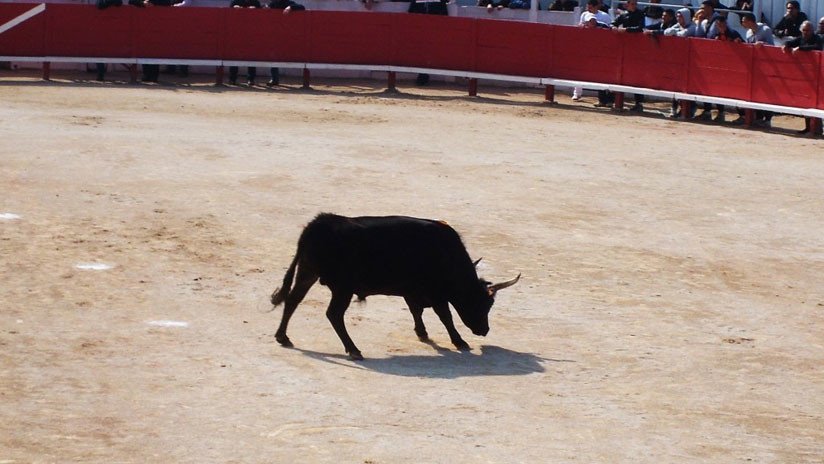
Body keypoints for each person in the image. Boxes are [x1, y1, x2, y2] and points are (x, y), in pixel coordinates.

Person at [695, 16, 742, 122]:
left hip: (730, 68)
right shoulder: (715, 34)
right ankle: (709, 112)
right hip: (717, 66)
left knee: (724, 91)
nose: (720, 26)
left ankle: (735, 114)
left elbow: (742, 47)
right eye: (718, 25)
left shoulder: (733, 34)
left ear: (726, 23)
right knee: (710, 89)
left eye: (721, 24)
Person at [781, 20, 824, 135]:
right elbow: (790, 42)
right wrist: (785, 45)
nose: (806, 32)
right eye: (804, 30)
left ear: (812, 30)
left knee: (817, 102)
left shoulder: (817, 38)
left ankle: (817, 129)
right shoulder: (801, 38)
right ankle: (808, 127)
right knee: (807, 101)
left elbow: (817, 47)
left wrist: (800, 48)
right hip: (807, 75)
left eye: (808, 30)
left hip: (819, 75)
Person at [608, 0, 645, 112]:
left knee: (636, 76)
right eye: (631, 3)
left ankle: (639, 103)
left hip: (637, 49)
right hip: (624, 49)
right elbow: (613, 23)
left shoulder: (640, 14)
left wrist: (626, 30)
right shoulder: (624, 15)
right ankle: (614, 100)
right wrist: (613, 27)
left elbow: (640, 28)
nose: (634, 5)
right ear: (627, 4)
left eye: (635, 3)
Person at [408, 0, 449, 85]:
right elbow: (411, 13)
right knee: (421, 51)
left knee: (426, 51)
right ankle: (423, 74)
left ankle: (423, 75)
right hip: (420, 29)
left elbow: (444, 16)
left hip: (433, 30)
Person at [266, 0, 306, 86]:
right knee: (274, 57)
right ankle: (274, 78)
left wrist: (290, 7)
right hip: (275, 33)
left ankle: (295, 79)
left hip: (288, 34)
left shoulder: (288, 3)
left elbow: (302, 7)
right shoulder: (273, 4)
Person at [229, 0, 262, 86]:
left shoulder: (255, 3)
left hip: (252, 32)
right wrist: (233, 8)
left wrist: (256, 10)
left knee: (251, 56)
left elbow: (262, 15)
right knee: (234, 55)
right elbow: (228, 14)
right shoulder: (236, 1)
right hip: (237, 32)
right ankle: (232, 78)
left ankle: (251, 79)